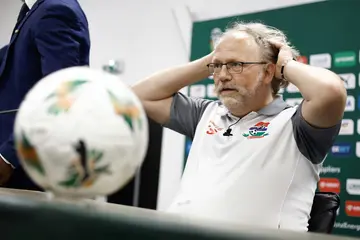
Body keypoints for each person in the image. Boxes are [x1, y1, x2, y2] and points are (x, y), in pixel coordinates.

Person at [132, 22, 346, 231]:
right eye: (217, 67)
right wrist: (212, 59)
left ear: (269, 72)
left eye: (236, 64)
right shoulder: (205, 114)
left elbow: (330, 91)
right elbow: (137, 96)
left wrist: (285, 65)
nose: (223, 76)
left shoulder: (297, 125)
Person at [0, 0, 90, 190]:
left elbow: (61, 97)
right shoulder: (34, 10)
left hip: (27, 166)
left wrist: (8, 157)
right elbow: (21, 60)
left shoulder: (56, 11)